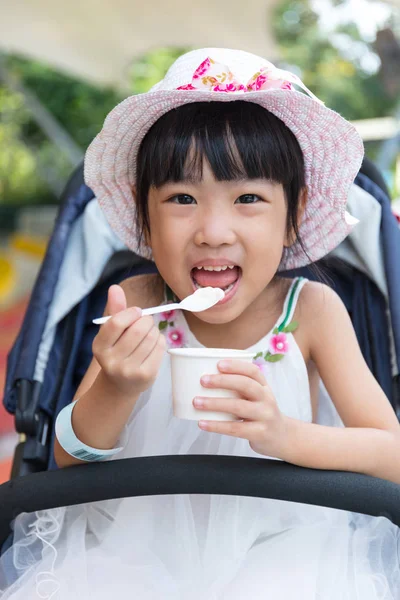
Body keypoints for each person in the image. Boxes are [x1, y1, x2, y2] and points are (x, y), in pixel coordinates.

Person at [1, 47, 400, 599]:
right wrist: (115, 387)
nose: (213, 230)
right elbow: (69, 459)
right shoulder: (136, 302)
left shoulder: (313, 312)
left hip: (288, 547)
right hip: (133, 548)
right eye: (182, 198)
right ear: (144, 216)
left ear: (295, 217)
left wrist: (281, 435)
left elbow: (392, 453)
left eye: (249, 198)